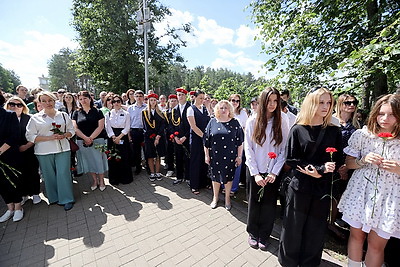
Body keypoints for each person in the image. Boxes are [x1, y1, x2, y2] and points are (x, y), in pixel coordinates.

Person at [278, 87, 343, 266]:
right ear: (311, 103)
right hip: (300, 185)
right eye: (321, 102)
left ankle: (309, 262)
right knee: (293, 226)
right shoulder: (298, 129)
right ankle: (288, 261)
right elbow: (291, 158)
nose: (325, 106)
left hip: (322, 188)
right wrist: (314, 169)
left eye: (328, 102)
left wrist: (323, 169)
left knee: (315, 229)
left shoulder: (334, 130)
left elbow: (339, 159)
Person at [338, 94, 400, 267]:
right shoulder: (363, 135)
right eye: (381, 113)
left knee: (376, 244)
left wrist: (397, 168)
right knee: (356, 236)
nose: (385, 118)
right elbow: (348, 164)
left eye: (391, 114)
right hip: (361, 191)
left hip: (389, 196)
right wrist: (363, 160)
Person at [244, 88, 289, 250]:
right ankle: (253, 233)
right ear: (263, 101)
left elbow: (284, 149)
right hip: (255, 171)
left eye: (275, 101)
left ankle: (265, 234)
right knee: (254, 203)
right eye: (269, 101)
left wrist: (274, 172)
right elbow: (248, 149)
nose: (272, 104)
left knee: (269, 205)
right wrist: (255, 173)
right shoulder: (252, 120)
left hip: (272, 172)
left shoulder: (282, 121)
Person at [26, 91, 75, 211]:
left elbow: (71, 130)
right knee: (49, 175)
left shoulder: (63, 115)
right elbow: (30, 136)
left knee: (63, 174)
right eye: (44, 101)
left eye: (50, 100)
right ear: (40, 103)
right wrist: (48, 138)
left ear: (54, 101)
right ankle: (54, 198)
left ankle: (67, 199)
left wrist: (64, 135)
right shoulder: (35, 118)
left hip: (63, 149)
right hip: (43, 151)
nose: (47, 103)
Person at [204, 100, 243, 210]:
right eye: (221, 108)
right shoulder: (212, 122)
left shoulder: (235, 123)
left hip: (230, 156)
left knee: (228, 178)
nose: (223, 110)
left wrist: (239, 156)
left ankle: (227, 199)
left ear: (229, 109)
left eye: (226, 108)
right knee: (215, 178)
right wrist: (206, 155)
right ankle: (215, 198)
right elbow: (206, 142)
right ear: (217, 109)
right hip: (214, 156)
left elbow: (240, 142)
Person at [5, 97, 42, 205]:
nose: (15, 107)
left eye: (19, 105)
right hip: (12, 152)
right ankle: (24, 194)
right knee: (18, 174)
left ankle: (35, 193)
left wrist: (26, 146)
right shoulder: (5, 120)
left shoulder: (29, 118)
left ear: (23, 107)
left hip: (29, 149)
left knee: (32, 171)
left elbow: (36, 134)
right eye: (12, 104)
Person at [72, 91, 108, 191]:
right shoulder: (76, 113)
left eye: (85, 98)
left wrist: (90, 138)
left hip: (98, 140)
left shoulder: (97, 112)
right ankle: (94, 181)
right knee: (89, 161)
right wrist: (85, 138)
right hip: (82, 142)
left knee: (98, 161)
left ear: (90, 99)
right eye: (80, 99)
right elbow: (75, 128)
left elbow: (100, 127)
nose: (83, 101)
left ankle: (101, 180)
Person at [0, 93, 24, 222]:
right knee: (1, 184)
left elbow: (14, 136)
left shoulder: (9, 115)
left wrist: (0, 151)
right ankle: (10, 208)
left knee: (13, 181)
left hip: (9, 154)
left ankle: (18, 207)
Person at [105, 95, 133, 185]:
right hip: (112, 138)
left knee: (124, 157)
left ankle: (125, 178)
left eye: (118, 101)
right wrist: (113, 137)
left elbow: (127, 127)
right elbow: (107, 127)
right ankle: (114, 179)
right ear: (112, 103)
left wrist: (119, 137)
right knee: (113, 158)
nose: (116, 103)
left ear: (121, 103)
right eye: (114, 102)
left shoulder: (126, 114)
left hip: (122, 136)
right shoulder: (108, 114)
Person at [187, 90, 210, 194]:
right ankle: (194, 185)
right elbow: (193, 126)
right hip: (196, 139)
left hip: (205, 138)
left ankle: (203, 183)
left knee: (204, 160)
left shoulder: (205, 109)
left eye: (203, 98)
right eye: (200, 98)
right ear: (195, 97)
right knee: (195, 161)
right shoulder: (190, 109)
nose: (202, 100)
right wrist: (203, 136)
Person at [142, 93, 167, 181]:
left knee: (158, 155)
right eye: (151, 100)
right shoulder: (144, 112)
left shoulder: (160, 112)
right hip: (149, 137)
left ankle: (157, 172)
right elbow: (145, 126)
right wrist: (152, 136)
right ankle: (152, 173)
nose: (153, 102)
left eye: (154, 100)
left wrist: (158, 136)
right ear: (148, 101)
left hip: (159, 137)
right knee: (150, 155)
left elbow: (163, 125)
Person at [228, 94, 248, 195]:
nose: (235, 102)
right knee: (227, 165)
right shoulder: (226, 111)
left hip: (239, 143)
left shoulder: (242, 113)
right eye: (233, 100)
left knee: (237, 165)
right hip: (227, 143)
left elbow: (246, 127)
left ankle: (233, 188)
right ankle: (225, 186)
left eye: (237, 101)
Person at [171, 88, 191, 185]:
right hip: (177, 138)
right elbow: (172, 125)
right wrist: (175, 137)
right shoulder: (174, 109)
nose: (180, 96)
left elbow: (192, 125)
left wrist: (185, 137)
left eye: (182, 95)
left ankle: (188, 177)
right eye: (179, 95)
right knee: (178, 158)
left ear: (185, 96)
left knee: (187, 158)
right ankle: (179, 177)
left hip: (187, 138)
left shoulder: (190, 107)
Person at [127, 90, 147, 175]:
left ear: (143, 97)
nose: (139, 98)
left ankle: (148, 167)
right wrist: (129, 135)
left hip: (145, 131)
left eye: (140, 96)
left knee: (146, 149)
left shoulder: (146, 107)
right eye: (137, 96)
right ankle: (138, 167)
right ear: (134, 97)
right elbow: (128, 122)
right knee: (136, 150)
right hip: (134, 131)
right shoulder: (130, 108)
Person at [164, 94, 178, 177]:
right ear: (169, 102)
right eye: (171, 101)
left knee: (179, 152)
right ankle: (170, 168)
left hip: (178, 135)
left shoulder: (179, 111)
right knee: (169, 152)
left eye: (175, 101)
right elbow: (166, 125)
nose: (173, 102)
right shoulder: (166, 112)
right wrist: (172, 135)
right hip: (169, 135)